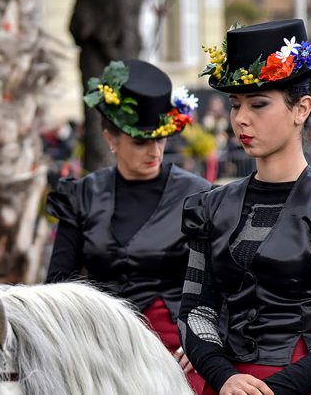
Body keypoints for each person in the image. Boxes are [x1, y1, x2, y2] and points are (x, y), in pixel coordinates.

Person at [179, 19, 311, 395]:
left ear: (301, 108)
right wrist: (223, 376)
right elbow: (196, 311)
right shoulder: (208, 207)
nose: (241, 118)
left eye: (258, 104)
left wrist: (281, 387)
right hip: (229, 385)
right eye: (235, 104)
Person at [45, 59, 210, 388]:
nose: (155, 152)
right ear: (111, 138)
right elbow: (58, 285)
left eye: (160, 139)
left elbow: (230, 281)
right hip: (102, 348)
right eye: (141, 142)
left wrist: (209, 338)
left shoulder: (200, 197)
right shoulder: (82, 196)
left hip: (180, 349)